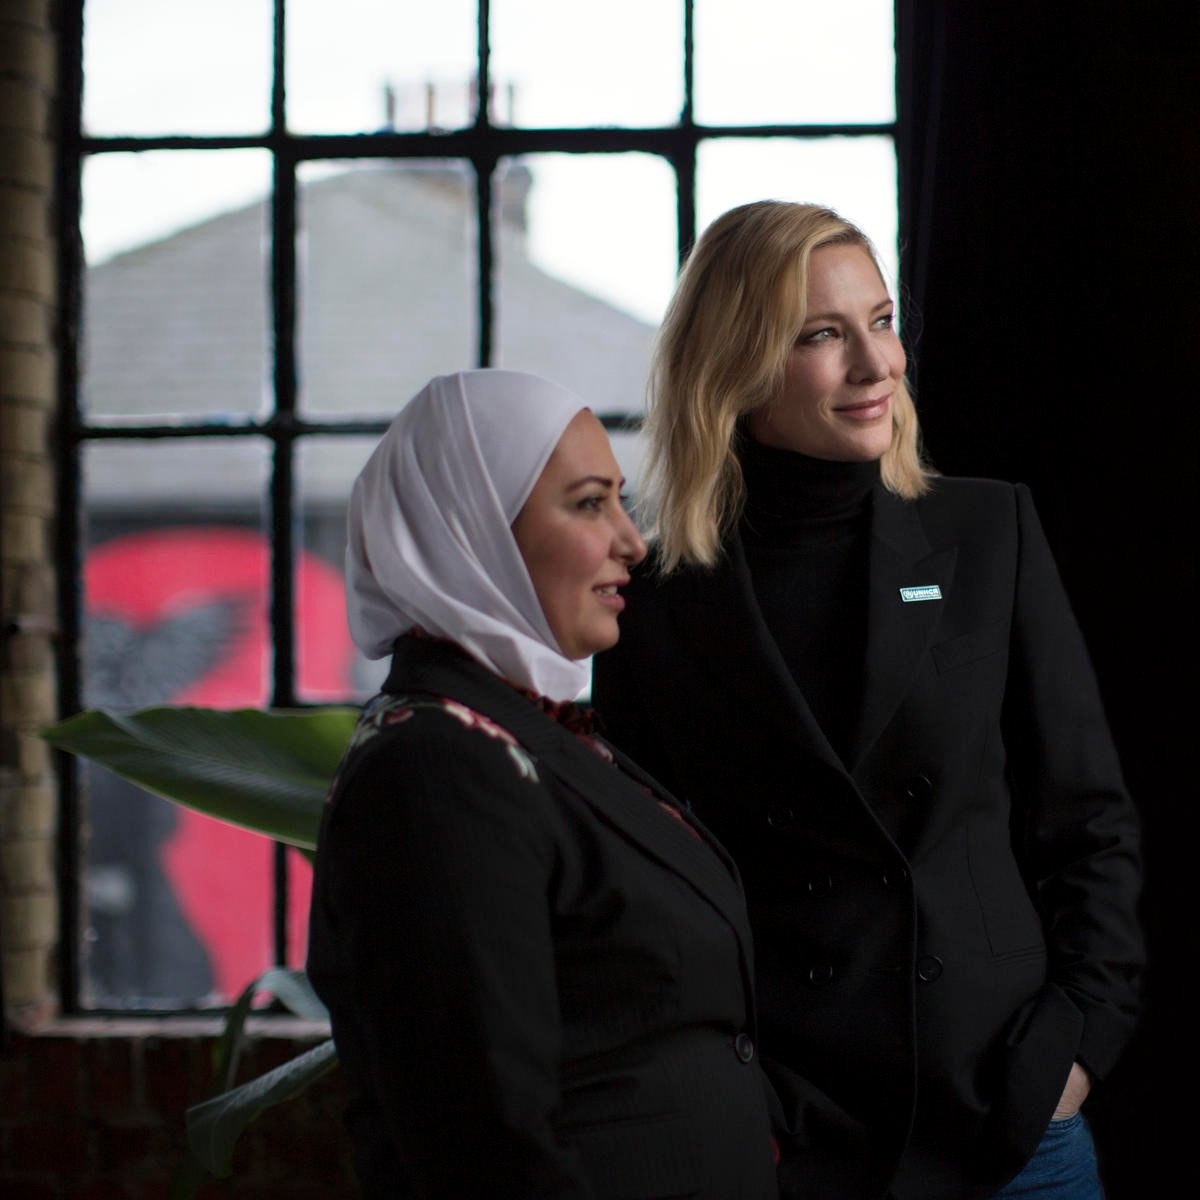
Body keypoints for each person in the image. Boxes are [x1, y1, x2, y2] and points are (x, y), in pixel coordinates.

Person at [590, 203, 1143, 1200]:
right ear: (738, 362)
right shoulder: (654, 589)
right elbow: (648, 889)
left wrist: (1073, 1053)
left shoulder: (985, 531)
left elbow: (1089, 819)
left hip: (1007, 1121)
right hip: (790, 1136)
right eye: (821, 335)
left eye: (881, 321)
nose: (876, 364)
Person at [306, 369, 780, 1199]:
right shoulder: (435, 769)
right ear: (476, 530)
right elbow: (485, 1144)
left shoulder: (528, 733)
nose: (633, 543)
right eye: (591, 504)